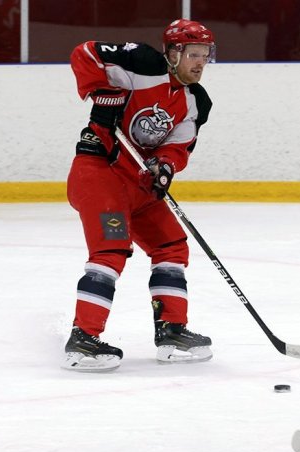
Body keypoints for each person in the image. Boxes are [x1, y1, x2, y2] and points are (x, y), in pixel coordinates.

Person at [62, 19, 216, 372]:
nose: (200, 63)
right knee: (111, 247)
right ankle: (83, 338)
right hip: (99, 172)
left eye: (205, 56)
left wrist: (165, 166)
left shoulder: (197, 102)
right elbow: (83, 52)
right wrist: (100, 91)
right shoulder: (142, 63)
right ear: (174, 53)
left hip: (139, 184)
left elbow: (179, 146)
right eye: (193, 54)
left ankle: (172, 331)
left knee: (171, 245)